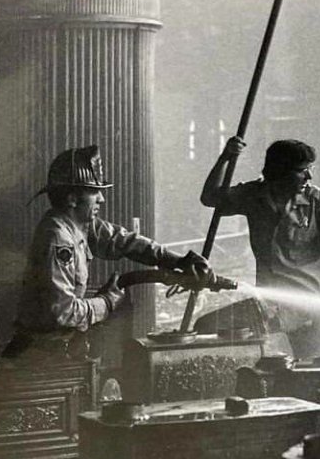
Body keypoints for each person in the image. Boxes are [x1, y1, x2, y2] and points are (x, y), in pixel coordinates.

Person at [12, 144, 213, 351]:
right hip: (42, 354)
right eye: (94, 192)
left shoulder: (77, 225)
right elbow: (64, 313)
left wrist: (177, 260)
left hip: (57, 347)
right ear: (72, 199)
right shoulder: (58, 239)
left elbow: (122, 240)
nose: (102, 199)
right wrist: (107, 302)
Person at [200, 136, 320, 359]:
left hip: (307, 308)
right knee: (208, 327)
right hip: (268, 303)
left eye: (310, 169)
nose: (309, 176)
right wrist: (225, 157)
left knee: (310, 371)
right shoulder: (254, 196)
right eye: (302, 170)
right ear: (280, 171)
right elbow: (210, 198)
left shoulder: (316, 200)